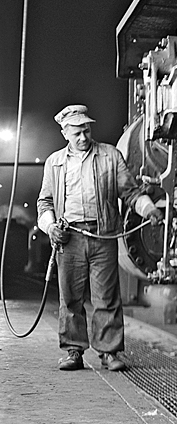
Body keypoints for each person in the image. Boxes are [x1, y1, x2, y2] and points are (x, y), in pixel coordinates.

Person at [37, 105, 163, 372]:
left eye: (86, 130)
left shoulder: (110, 155)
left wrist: (149, 209)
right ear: (64, 134)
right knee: (70, 297)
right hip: (69, 238)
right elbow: (44, 203)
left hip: (103, 235)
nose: (83, 137)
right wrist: (50, 227)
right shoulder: (55, 163)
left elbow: (130, 193)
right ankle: (73, 351)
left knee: (106, 297)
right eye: (77, 133)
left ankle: (109, 352)